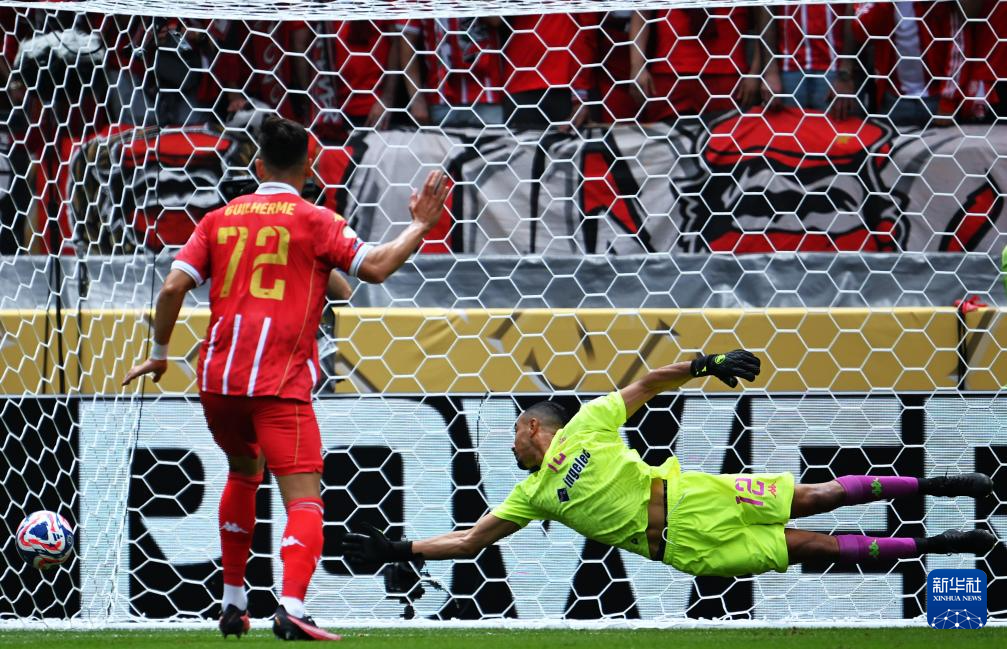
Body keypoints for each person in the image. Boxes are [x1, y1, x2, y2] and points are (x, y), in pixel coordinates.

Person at [122, 115, 450, 640]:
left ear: (257, 166)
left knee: (242, 473)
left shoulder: (218, 220)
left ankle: (233, 603)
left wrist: (160, 354)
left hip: (218, 383)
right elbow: (376, 268)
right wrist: (420, 226)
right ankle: (292, 605)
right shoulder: (315, 220)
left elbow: (170, 290)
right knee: (303, 498)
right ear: (310, 166)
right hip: (277, 384)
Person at [343, 349, 998, 581]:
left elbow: (648, 383)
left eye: (513, 437)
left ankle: (942, 484)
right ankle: (941, 544)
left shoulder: (588, 423)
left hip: (698, 495)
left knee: (817, 495)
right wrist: (401, 548)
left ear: (532, 426)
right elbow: (469, 540)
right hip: (686, 549)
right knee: (814, 545)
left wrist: (704, 365)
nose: (510, 450)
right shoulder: (534, 495)